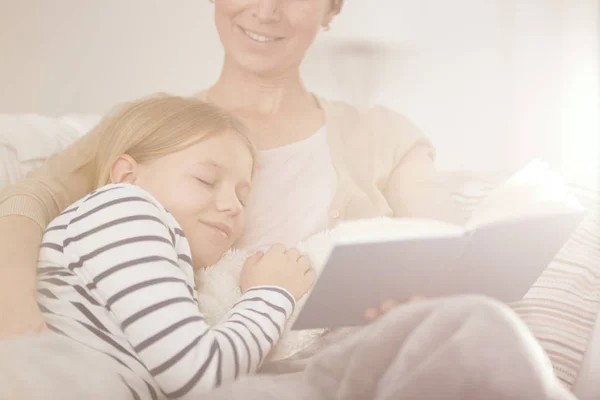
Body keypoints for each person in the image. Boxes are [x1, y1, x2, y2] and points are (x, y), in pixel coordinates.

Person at [0, 0, 463, 339]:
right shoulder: (151, 128)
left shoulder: (383, 135)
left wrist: (428, 290)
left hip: (349, 362)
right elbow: (27, 199)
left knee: (483, 328)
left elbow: (456, 248)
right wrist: (17, 311)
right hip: (205, 370)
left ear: (331, 7)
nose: (265, 9)